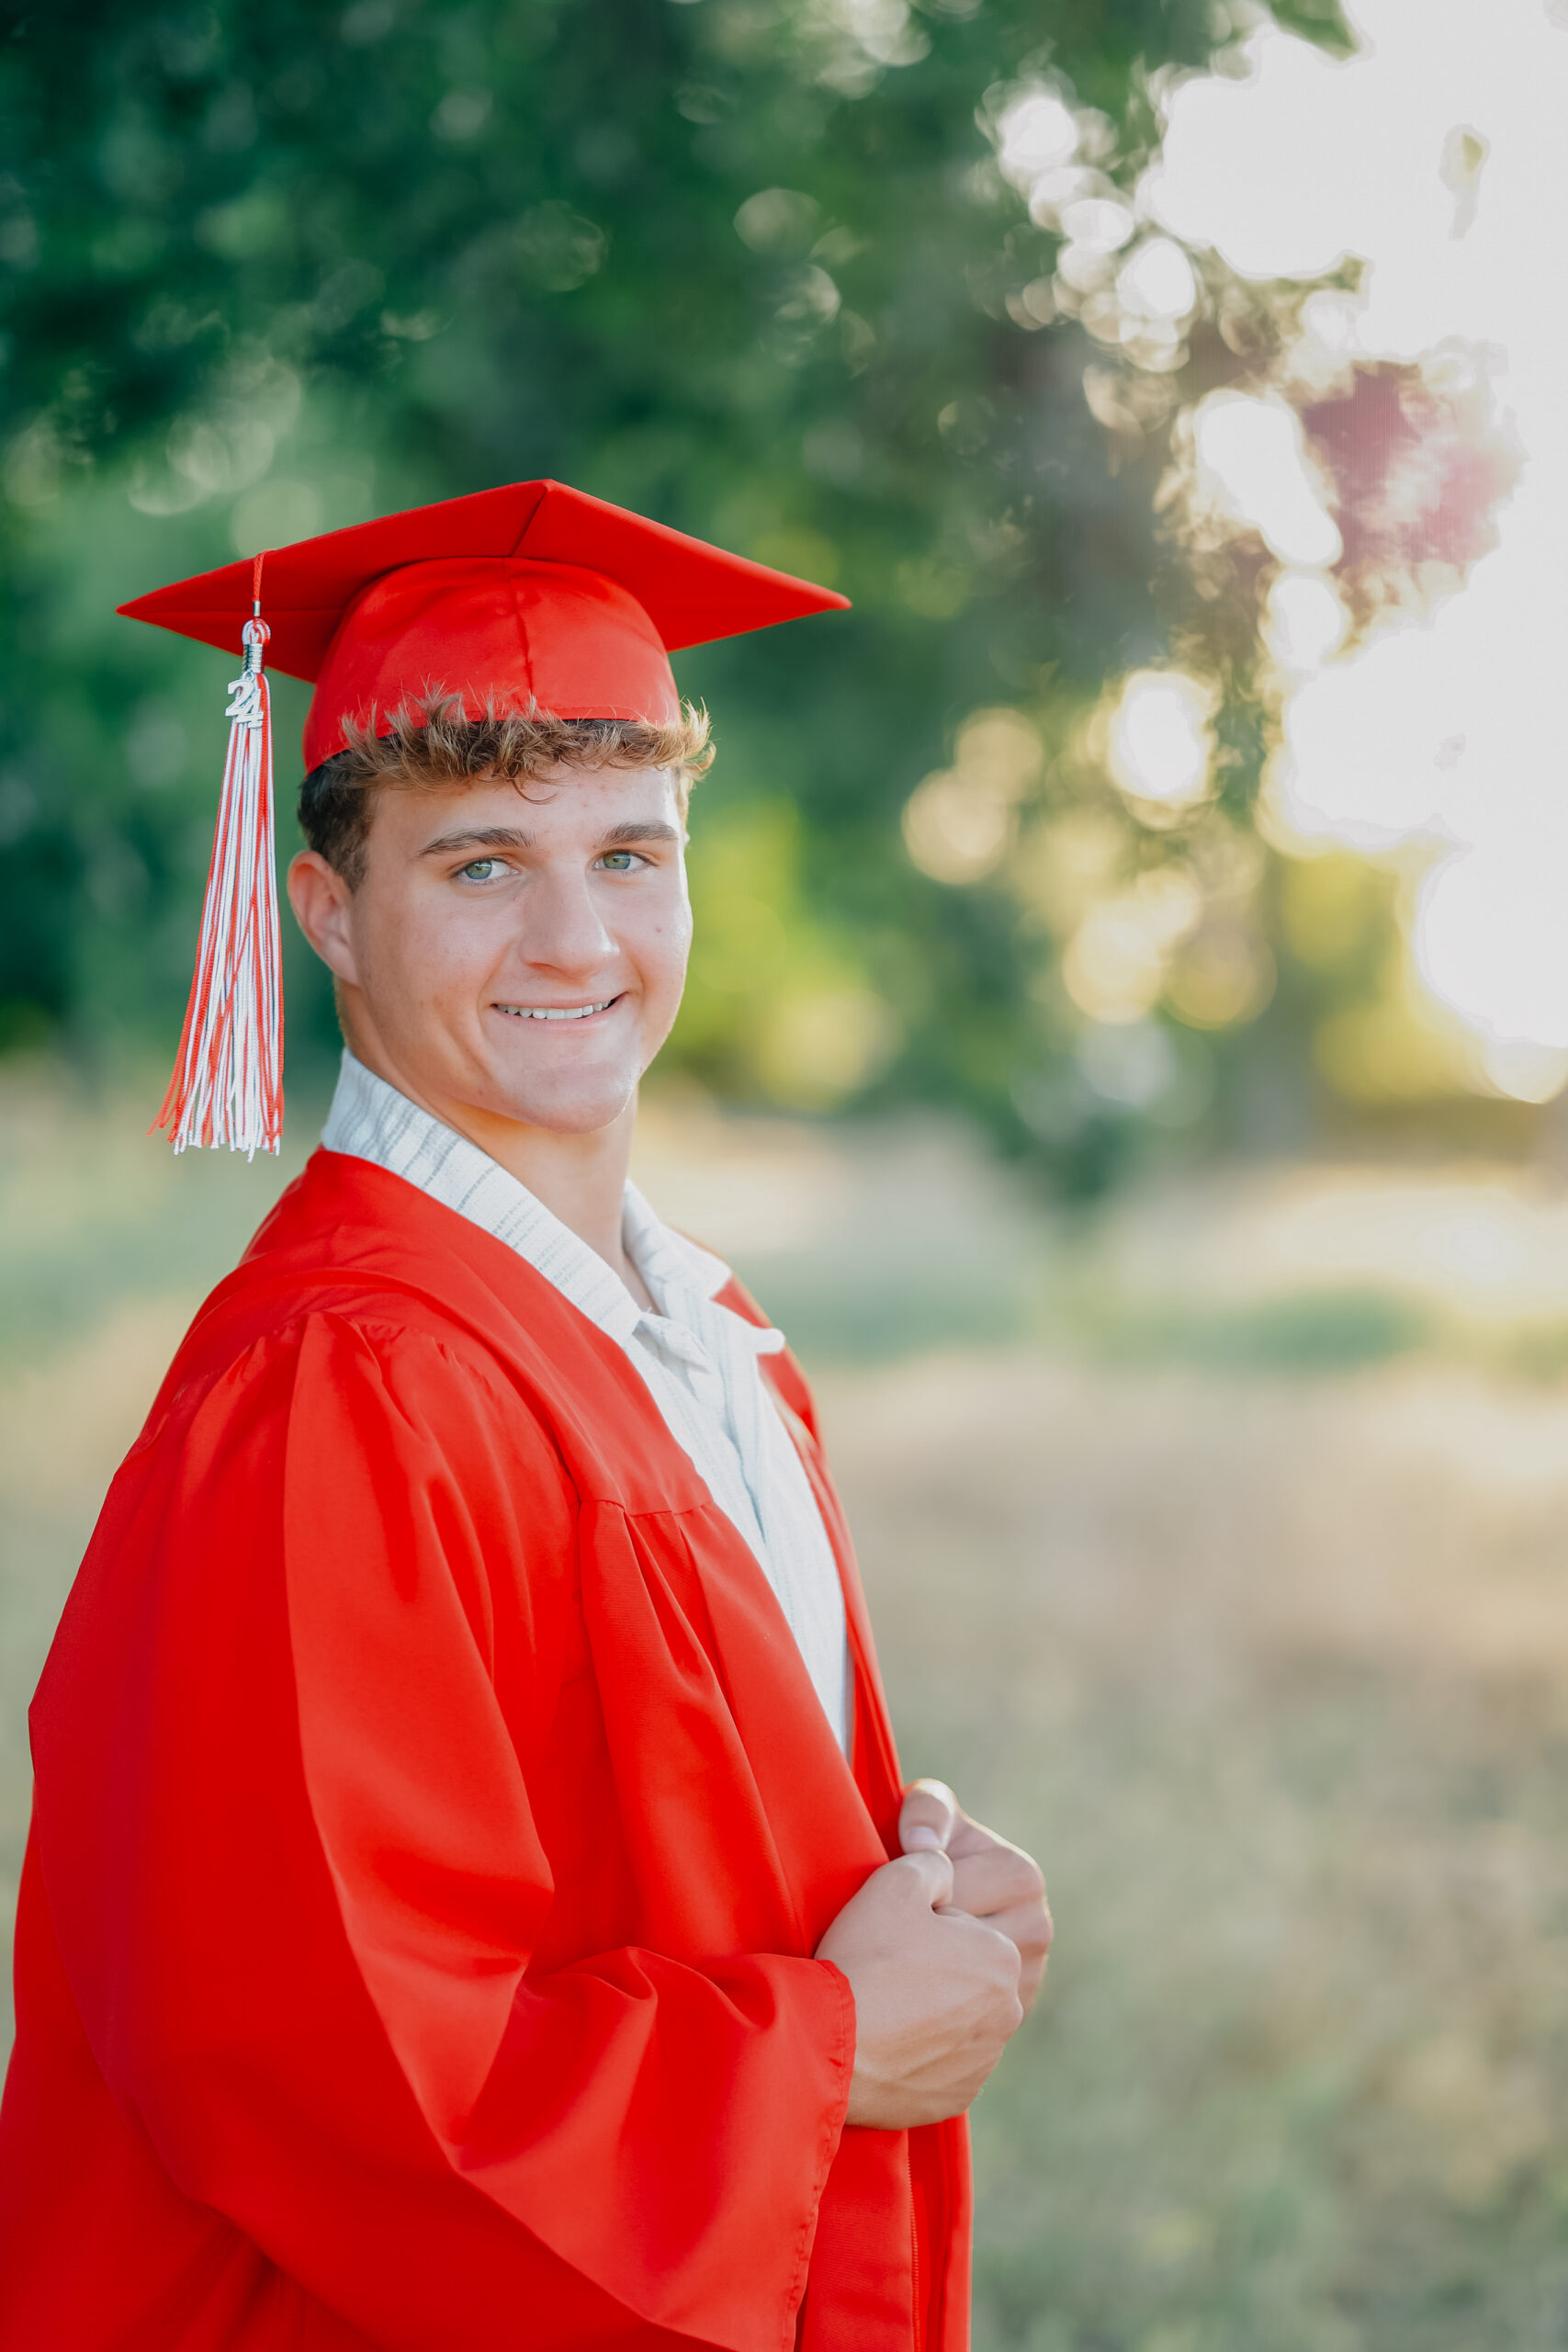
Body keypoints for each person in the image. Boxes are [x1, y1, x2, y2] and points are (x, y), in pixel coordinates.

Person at [0, 480, 1051, 2351]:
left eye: (630, 853)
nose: (577, 937)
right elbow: (323, 2055)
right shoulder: (344, 1382)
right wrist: (834, 2045)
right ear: (324, 906)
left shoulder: (703, 1332)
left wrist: (902, 1902)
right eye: (482, 861)